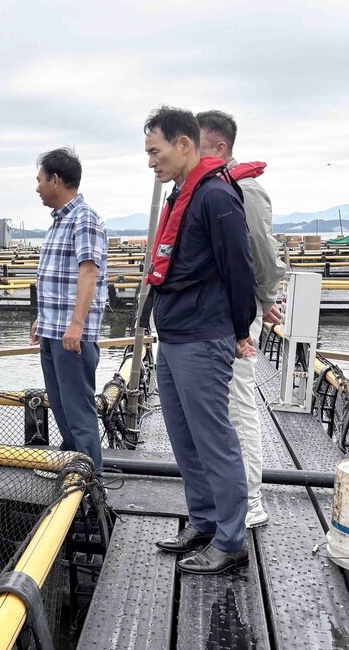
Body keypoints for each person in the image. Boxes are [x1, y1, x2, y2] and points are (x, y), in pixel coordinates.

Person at [144, 107, 257, 575]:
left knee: (214, 439)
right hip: (173, 335)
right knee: (184, 438)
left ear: (184, 144)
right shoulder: (180, 195)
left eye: (156, 151)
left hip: (202, 335)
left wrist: (239, 330)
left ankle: (231, 540)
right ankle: (205, 521)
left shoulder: (214, 196)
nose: (151, 161)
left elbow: (240, 269)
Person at [198, 110, 286, 529]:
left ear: (220, 149)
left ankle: (250, 498)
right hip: (215, 317)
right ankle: (229, 495)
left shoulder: (243, 190)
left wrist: (260, 300)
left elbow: (264, 257)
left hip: (234, 318)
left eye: (194, 146)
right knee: (222, 406)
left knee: (236, 404)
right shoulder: (208, 188)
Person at [28, 148, 107, 476]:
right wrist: (42, 320)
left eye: (40, 180)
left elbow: (89, 272)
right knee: (60, 405)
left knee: (78, 409)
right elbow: (58, 279)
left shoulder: (83, 217)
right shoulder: (60, 221)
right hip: (53, 329)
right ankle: (71, 460)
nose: (37, 187)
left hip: (71, 335)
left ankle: (91, 479)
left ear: (55, 180)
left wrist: (76, 325)